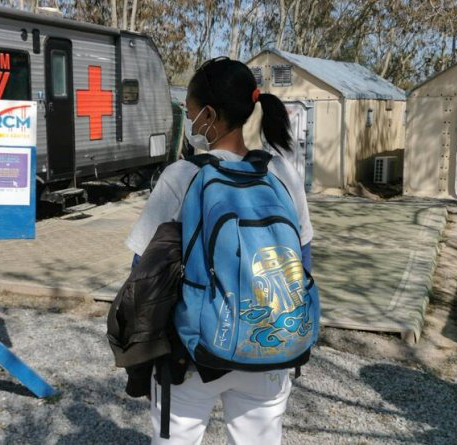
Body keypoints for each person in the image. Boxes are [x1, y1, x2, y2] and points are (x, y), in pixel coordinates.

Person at [124, 57, 314, 444]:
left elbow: (143, 273)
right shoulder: (281, 172)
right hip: (270, 347)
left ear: (209, 115)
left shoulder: (183, 176)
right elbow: (303, 262)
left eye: (192, 114)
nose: (191, 123)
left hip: (193, 355)